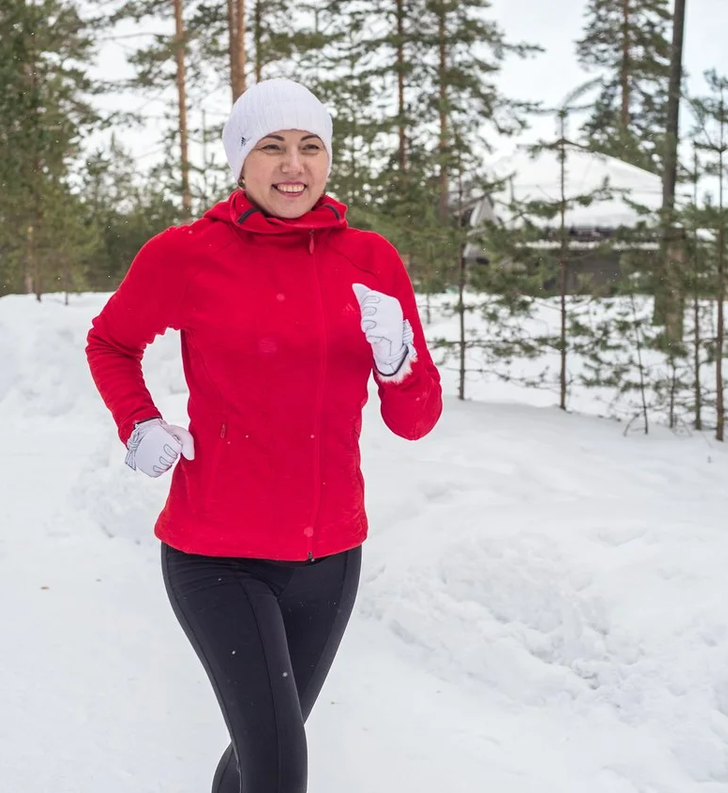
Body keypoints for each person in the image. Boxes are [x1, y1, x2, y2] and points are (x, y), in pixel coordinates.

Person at [84, 77, 443, 793]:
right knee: (278, 763)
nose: (294, 165)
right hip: (218, 555)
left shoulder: (371, 261)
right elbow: (110, 342)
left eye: (311, 147)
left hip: (330, 559)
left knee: (263, 753)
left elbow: (414, 421)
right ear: (240, 161)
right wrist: (139, 419)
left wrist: (398, 360)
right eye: (272, 147)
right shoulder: (187, 254)